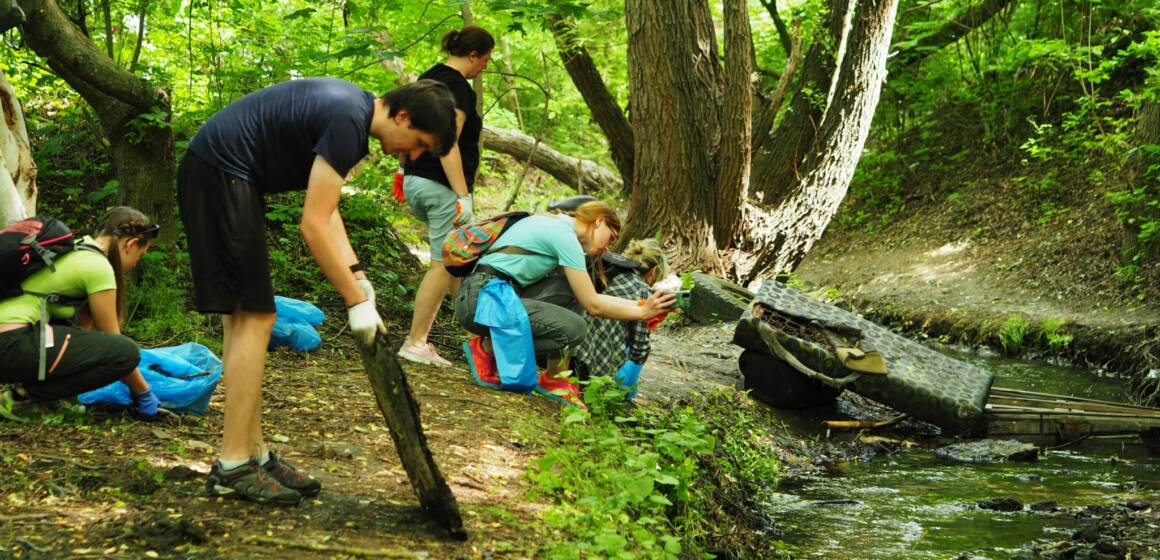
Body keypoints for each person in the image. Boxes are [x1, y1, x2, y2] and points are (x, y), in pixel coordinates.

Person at [177, 78, 457, 506]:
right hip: (221, 173)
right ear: (402, 117)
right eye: (419, 142)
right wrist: (353, 301)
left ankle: (254, 454)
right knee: (254, 318)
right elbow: (311, 224)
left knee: (246, 318)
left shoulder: (353, 115)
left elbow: (329, 214)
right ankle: (233, 465)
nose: (413, 155)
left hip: (226, 176)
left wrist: (357, 277)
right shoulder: (348, 120)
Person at [454, 200, 674, 408]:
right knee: (575, 328)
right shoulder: (564, 236)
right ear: (599, 221)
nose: (608, 247)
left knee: (569, 289)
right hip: (483, 300)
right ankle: (486, 349)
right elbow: (593, 305)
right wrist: (643, 312)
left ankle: (554, 378)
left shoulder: (558, 225)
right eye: (611, 237)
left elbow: (585, 295)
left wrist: (642, 305)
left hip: (489, 297)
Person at [0, 207, 161, 422]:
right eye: (140, 257)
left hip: (12, 343)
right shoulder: (98, 267)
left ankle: (48, 400)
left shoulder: (77, 250)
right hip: (10, 345)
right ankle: (21, 399)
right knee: (126, 353)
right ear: (130, 244)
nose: (134, 265)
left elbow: (83, 337)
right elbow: (115, 343)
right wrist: (143, 392)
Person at [398, 25, 495, 367]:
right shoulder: (458, 89)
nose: (485, 64)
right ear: (472, 55)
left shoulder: (427, 78)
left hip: (416, 180)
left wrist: (403, 169)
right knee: (443, 264)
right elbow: (445, 142)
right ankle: (415, 342)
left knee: (460, 262)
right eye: (485, 58)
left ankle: (479, 341)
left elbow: (408, 128)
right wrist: (463, 195)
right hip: (440, 187)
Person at [572, 239, 670, 393]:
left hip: (569, 347)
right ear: (654, 271)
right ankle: (620, 391)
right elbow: (640, 347)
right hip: (594, 361)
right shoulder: (642, 290)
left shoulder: (607, 269)